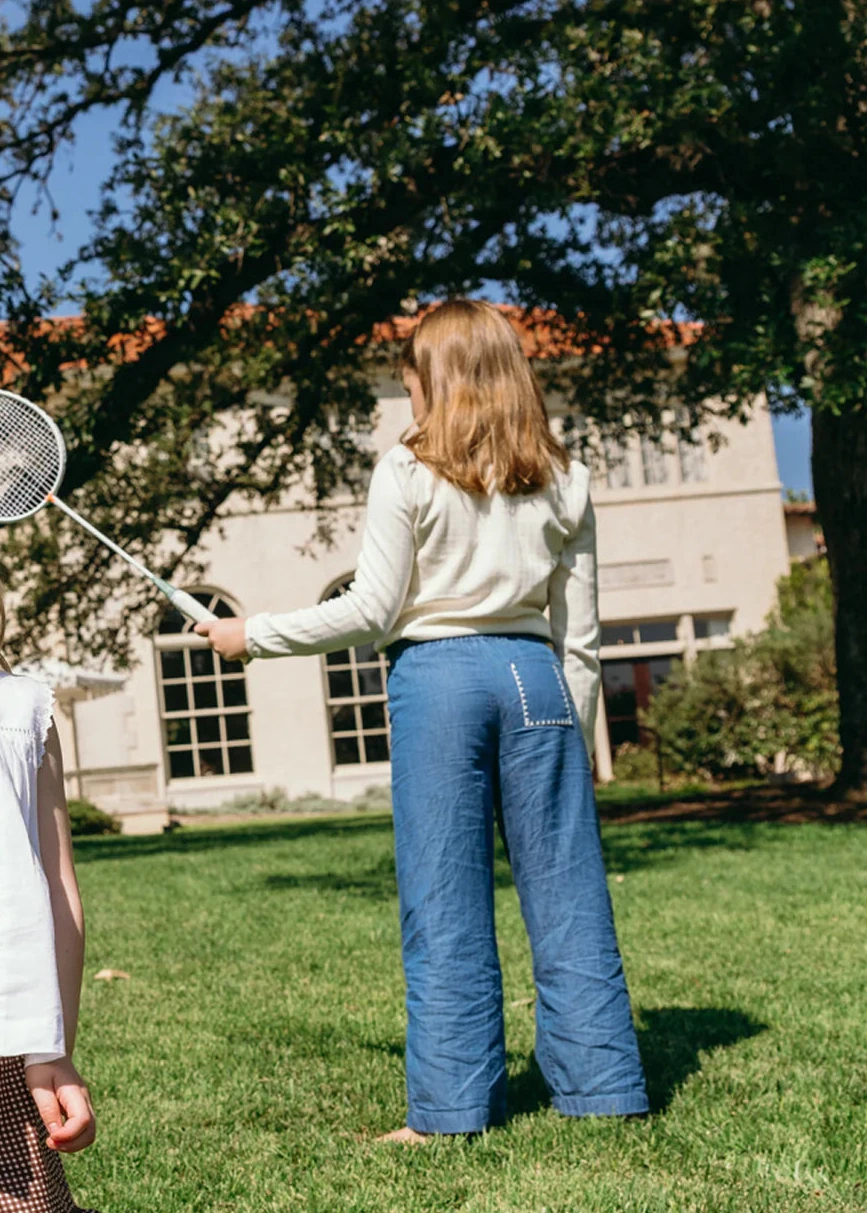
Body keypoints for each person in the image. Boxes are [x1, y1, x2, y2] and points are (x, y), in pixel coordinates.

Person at [197, 298, 649, 1141]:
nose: (404, 393)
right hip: (537, 683)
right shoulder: (567, 475)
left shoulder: (405, 468)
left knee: (444, 900)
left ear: (431, 379)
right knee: (569, 893)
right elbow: (580, 640)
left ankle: (450, 1111)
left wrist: (249, 634)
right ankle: (605, 1088)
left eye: (406, 378)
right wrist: (575, 741)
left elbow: (372, 609)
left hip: (439, 680)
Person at [0, 597, 98, 1212]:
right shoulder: (22, 708)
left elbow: (57, 893)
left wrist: (51, 1051)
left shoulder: (24, 709)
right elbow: (59, 894)